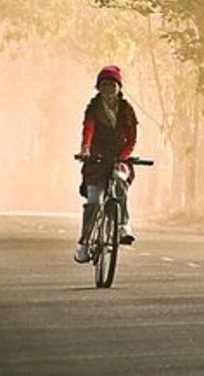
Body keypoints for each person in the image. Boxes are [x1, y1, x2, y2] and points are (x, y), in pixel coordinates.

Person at [74, 64, 138, 263]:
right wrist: (85, 149)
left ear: (119, 88)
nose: (108, 90)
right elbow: (88, 129)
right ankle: (84, 243)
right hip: (96, 160)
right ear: (98, 88)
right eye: (104, 86)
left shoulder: (127, 110)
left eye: (112, 85)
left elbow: (131, 138)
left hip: (120, 157)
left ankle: (123, 225)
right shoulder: (93, 108)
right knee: (93, 201)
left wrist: (123, 156)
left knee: (120, 182)